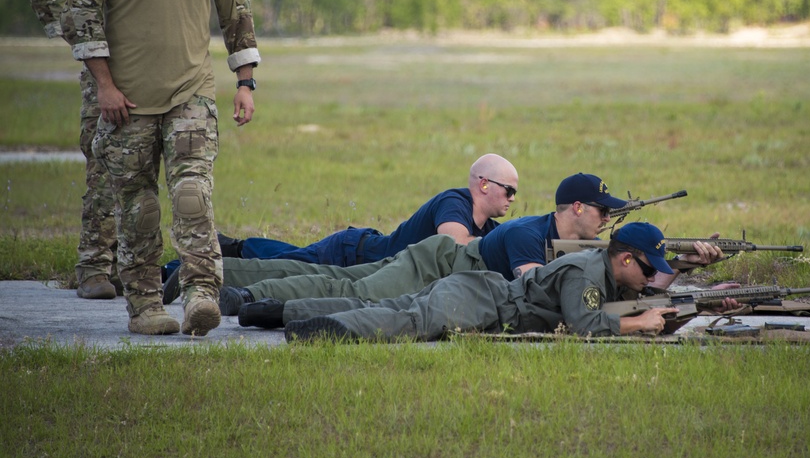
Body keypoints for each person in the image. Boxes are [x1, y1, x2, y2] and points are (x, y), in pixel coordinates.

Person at [60, 0, 261, 336]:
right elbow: (80, 13)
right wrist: (104, 87)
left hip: (191, 92)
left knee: (193, 195)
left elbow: (237, 14)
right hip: (125, 100)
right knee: (139, 206)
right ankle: (146, 304)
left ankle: (201, 296)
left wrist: (246, 82)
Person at [231, 173, 729, 325]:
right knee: (347, 287)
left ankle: (250, 296)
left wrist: (679, 269)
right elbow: (539, 291)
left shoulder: (571, 246)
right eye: (603, 214)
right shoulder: (526, 238)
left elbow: (625, 284)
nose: (607, 223)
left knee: (356, 293)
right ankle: (236, 286)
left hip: (450, 275)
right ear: (576, 209)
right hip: (438, 265)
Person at [28, 0, 153, 300]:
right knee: (104, 168)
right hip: (106, 73)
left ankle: (125, 266)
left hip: (154, 73)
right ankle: (94, 268)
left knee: (142, 174)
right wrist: (85, 41)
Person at [281, 222, 729, 342]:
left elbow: (635, 300)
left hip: (483, 299)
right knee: (409, 321)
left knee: (401, 310)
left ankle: (284, 313)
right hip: (483, 301)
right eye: (648, 269)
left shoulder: (605, 268)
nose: (651, 278)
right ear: (626, 259)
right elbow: (584, 324)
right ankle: (328, 331)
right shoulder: (588, 271)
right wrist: (641, 324)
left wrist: (689, 291)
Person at [161, 153, 517, 298]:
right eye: (509, 190)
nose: (512, 199)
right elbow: (452, 243)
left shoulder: (484, 229)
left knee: (289, 261)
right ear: (483, 184)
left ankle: (222, 252)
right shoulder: (455, 202)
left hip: (364, 261)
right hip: (353, 254)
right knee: (285, 266)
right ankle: (184, 266)